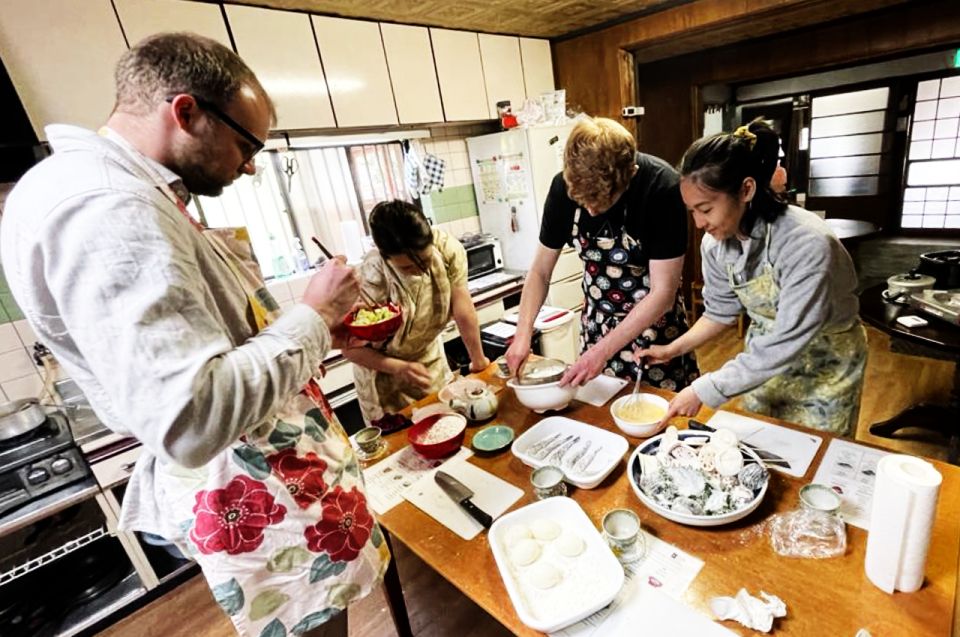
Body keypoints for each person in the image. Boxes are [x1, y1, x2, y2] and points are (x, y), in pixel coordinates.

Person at [0, 33, 388, 637]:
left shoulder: (119, 189)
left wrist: (320, 328)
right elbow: (193, 416)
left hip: (274, 477)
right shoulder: (108, 207)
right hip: (255, 488)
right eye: (245, 143)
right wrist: (311, 316)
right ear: (185, 113)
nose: (252, 163)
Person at [638, 119, 867, 435]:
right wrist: (672, 349)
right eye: (691, 211)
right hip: (762, 360)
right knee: (762, 447)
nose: (699, 223)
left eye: (705, 208)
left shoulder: (807, 243)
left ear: (746, 189)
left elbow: (786, 340)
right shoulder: (716, 244)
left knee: (815, 458)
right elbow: (720, 312)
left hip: (826, 362)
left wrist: (704, 389)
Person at [505, 117, 699, 389]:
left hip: (654, 332)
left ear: (630, 173)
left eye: (602, 202)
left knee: (661, 420)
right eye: (584, 203)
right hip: (597, 327)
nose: (592, 211)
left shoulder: (661, 188)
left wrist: (602, 352)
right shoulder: (562, 189)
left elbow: (663, 293)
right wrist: (523, 334)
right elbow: (539, 271)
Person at [344, 200, 489, 422]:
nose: (420, 271)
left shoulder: (447, 249)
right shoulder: (372, 274)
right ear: (386, 257)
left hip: (430, 364)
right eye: (407, 268)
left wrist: (478, 360)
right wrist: (399, 367)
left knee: (448, 424)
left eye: (425, 260)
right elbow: (350, 349)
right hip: (383, 377)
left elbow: (462, 307)